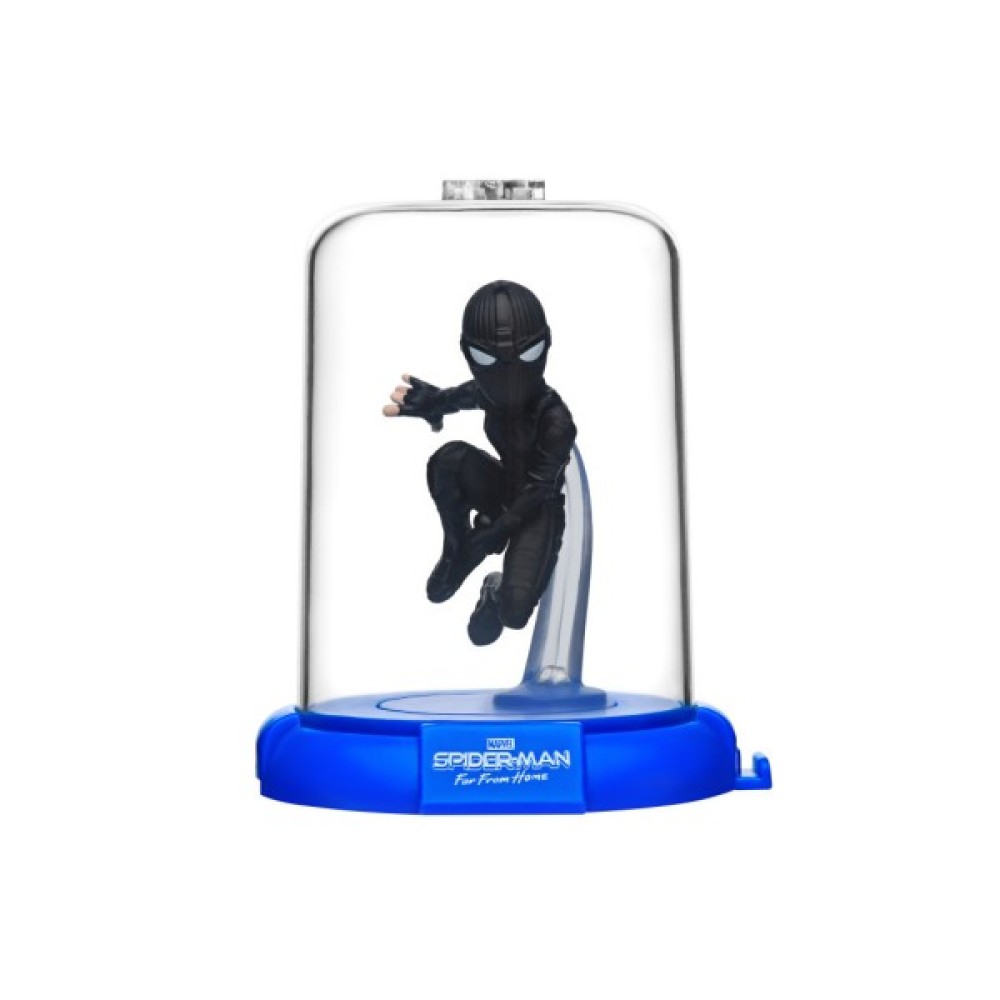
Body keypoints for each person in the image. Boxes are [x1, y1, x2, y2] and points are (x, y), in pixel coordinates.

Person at [383, 280, 577, 646]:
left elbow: (538, 490)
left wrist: (493, 534)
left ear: (546, 345)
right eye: (488, 359)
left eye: (527, 354)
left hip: (539, 507)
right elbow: (454, 398)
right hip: (503, 487)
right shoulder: (486, 394)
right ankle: (456, 545)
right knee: (449, 460)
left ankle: (495, 591)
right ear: (469, 353)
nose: (508, 373)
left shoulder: (555, 421)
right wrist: (432, 404)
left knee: (515, 614)